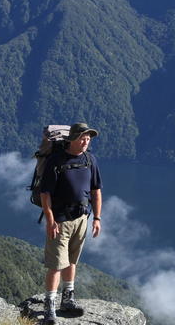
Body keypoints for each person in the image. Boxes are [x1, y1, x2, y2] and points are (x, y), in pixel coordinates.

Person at [38, 122, 103, 323]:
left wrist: (97, 218)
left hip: (82, 218)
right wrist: (50, 220)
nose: (86, 142)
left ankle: (68, 299)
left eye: (89, 139)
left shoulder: (90, 160)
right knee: (56, 265)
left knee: (72, 261)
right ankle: (49, 307)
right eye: (82, 138)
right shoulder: (56, 161)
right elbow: (45, 193)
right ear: (72, 139)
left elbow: (96, 191)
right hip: (60, 221)